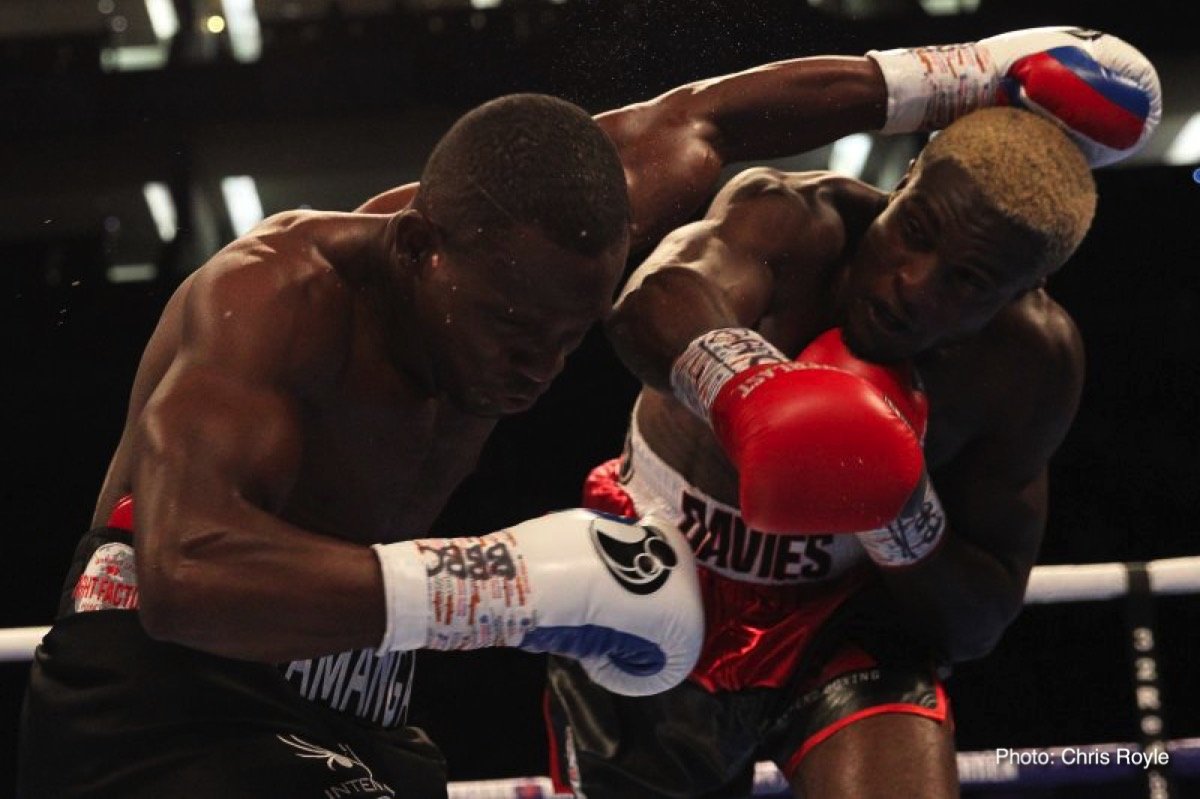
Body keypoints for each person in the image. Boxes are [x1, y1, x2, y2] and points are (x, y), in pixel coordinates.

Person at [18, 22, 1156, 798]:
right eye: (513, 332)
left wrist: (968, 67)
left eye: (568, 338)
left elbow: (709, 122)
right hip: (158, 695)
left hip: (354, 696)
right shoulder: (273, 296)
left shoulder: (541, 237)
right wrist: (505, 585)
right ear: (421, 249)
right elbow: (186, 578)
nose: (537, 371)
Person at [544, 104, 1121, 797]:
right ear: (906, 179)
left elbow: (977, 617)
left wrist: (899, 513)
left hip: (839, 621)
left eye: (966, 281)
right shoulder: (791, 220)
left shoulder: (1028, 363)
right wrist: (757, 394)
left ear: (1022, 290)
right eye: (915, 230)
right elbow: (652, 301)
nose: (914, 280)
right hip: (655, 572)